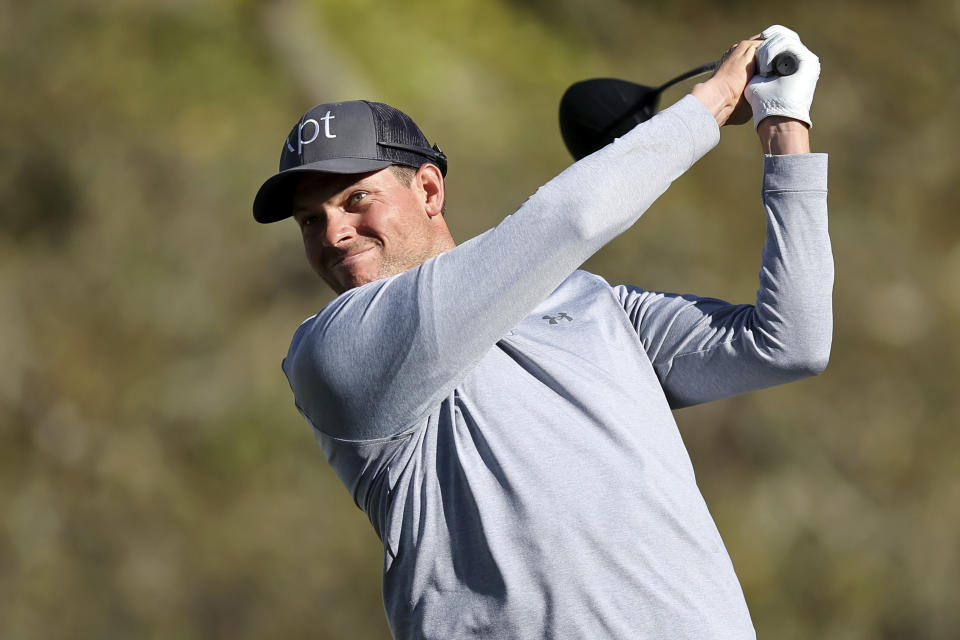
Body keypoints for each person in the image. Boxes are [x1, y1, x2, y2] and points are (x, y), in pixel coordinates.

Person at [252, 25, 832, 640]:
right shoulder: (331, 352)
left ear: (427, 189)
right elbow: (568, 220)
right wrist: (711, 104)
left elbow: (790, 341)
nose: (334, 233)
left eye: (356, 197)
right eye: (311, 220)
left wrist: (785, 126)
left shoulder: (593, 302)